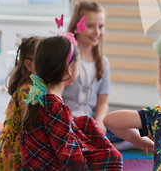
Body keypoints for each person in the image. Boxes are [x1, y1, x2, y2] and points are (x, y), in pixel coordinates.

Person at [21, 35, 122, 170]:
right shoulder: (56, 107)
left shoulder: (39, 97)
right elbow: (70, 158)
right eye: (78, 66)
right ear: (69, 70)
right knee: (114, 157)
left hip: (37, 165)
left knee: (87, 123)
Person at [63, 0, 111, 136]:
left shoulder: (103, 63)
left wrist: (100, 122)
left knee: (130, 131)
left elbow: (103, 101)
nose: (97, 32)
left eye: (101, 26)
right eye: (90, 26)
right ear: (76, 26)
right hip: (66, 122)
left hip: (90, 123)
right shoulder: (64, 57)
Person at [0, 37, 40, 171]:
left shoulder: (30, 88)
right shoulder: (27, 91)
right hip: (18, 156)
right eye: (43, 61)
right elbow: (30, 126)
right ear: (29, 65)